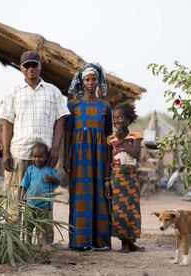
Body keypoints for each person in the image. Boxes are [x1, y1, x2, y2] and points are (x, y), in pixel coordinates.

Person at [0, 50, 70, 235]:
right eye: (26, 65)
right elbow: (7, 122)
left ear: (40, 66)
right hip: (19, 153)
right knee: (16, 199)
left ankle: (43, 243)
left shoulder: (53, 92)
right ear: (21, 68)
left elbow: (61, 120)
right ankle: (13, 241)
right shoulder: (13, 92)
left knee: (42, 200)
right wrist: (5, 152)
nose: (30, 69)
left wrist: (55, 149)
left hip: (44, 158)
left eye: (33, 65)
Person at [64, 63, 112, 250]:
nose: (91, 82)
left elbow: (109, 136)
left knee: (100, 195)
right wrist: (66, 157)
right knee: (81, 195)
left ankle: (100, 241)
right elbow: (68, 134)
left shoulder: (105, 107)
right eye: (87, 79)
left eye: (94, 79)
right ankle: (80, 241)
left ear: (99, 81)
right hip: (79, 157)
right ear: (81, 82)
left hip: (100, 158)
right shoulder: (73, 105)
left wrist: (109, 160)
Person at [107, 102, 144, 253]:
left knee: (132, 210)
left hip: (131, 177)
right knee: (119, 210)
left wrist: (122, 141)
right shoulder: (110, 139)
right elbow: (108, 159)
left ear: (128, 119)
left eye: (120, 117)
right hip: (116, 177)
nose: (117, 121)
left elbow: (135, 153)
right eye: (115, 118)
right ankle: (124, 244)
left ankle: (131, 242)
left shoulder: (135, 136)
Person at [19, 142, 60, 247]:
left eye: (40, 157)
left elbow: (58, 182)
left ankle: (44, 244)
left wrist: (51, 178)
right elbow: (25, 184)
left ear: (46, 157)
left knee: (44, 225)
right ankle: (28, 243)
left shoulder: (49, 170)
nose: (37, 159)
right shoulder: (30, 169)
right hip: (31, 203)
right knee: (29, 224)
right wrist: (23, 196)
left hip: (44, 204)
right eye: (34, 157)